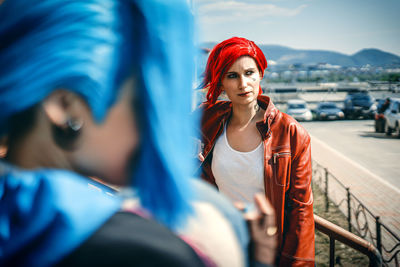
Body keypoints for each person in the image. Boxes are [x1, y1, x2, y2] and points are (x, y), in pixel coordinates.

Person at [0, 1, 276, 266]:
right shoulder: (146, 253)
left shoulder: (17, 217)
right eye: (145, 101)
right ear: (65, 107)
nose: (159, 126)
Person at [197, 37, 315, 266]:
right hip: (219, 245)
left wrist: (295, 262)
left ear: (260, 74)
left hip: (268, 250)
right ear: (220, 82)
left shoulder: (291, 133)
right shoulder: (207, 121)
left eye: (249, 73)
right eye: (232, 75)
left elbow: (301, 210)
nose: (243, 84)